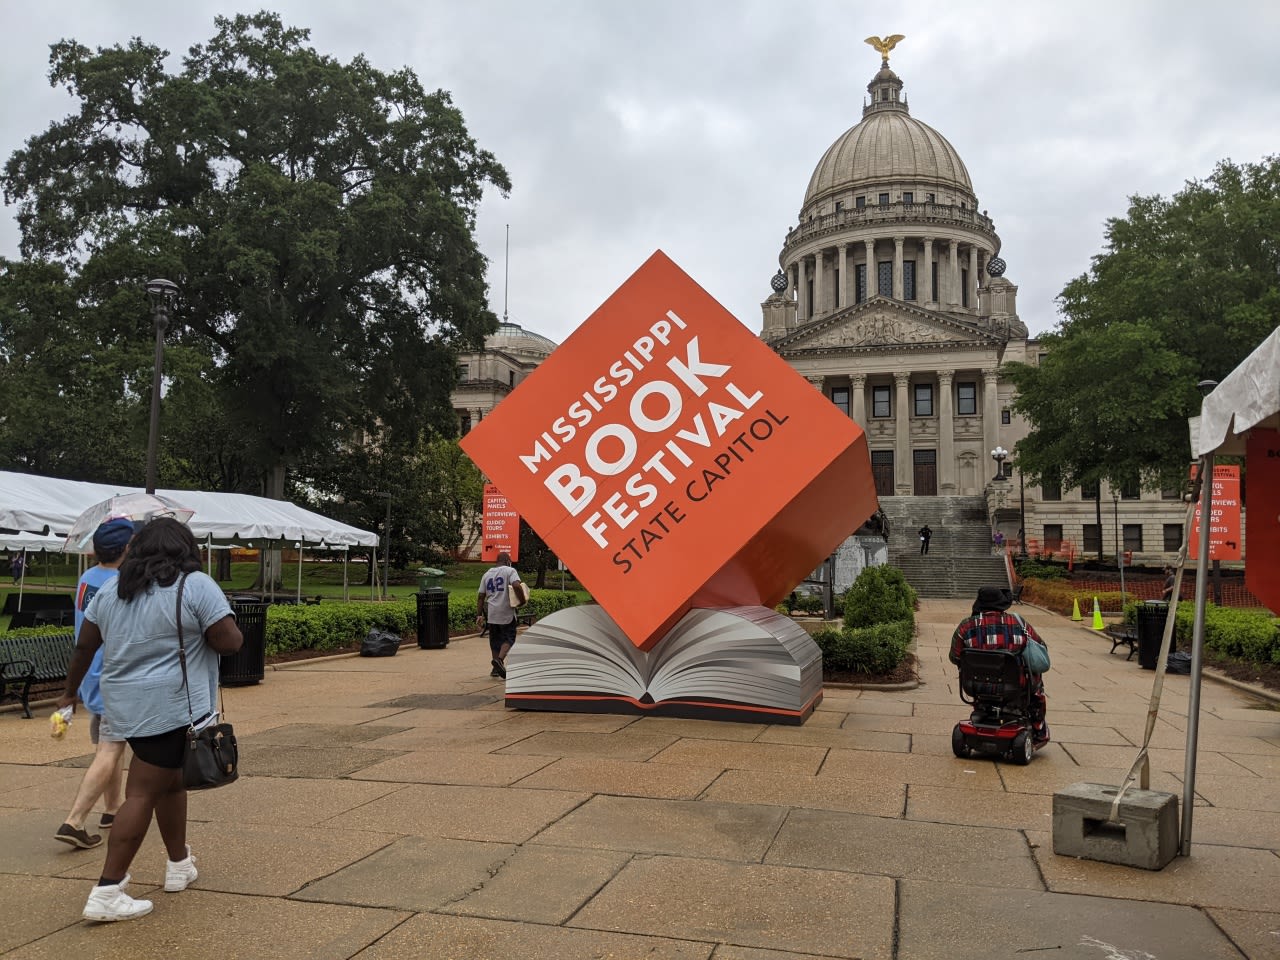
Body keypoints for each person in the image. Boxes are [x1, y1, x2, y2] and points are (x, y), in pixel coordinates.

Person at [56, 518, 243, 923]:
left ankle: (179, 864)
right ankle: (108, 889)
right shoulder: (195, 585)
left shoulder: (113, 590)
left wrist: (70, 693)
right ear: (184, 547)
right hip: (173, 707)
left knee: (171, 783)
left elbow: (85, 646)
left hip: (126, 706)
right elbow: (230, 641)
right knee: (141, 792)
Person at [53, 519, 137, 850]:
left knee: (108, 745)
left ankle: (113, 809)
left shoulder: (88, 579)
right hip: (115, 677)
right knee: (110, 748)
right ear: (127, 548)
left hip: (91, 677)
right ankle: (74, 821)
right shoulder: (122, 585)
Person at [949, 585, 1049, 744]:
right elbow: (1040, 646)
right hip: (1015, 685)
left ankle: (982, 709)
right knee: (1036, 683)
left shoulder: (966, 626)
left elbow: (955, 656)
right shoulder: (1018, 623)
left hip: (976, 685)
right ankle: (1038, 729)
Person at [476, 551, 524, 679]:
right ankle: (499, 660)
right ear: (508, 561)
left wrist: (479, 614)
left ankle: (495, 669)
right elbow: (516, 586)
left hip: (492, 614)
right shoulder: (510, 571)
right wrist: (522, 600)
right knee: (509, 638)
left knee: (495, 640)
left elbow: (481, 596)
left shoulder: (486, 574)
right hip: (506, 612)